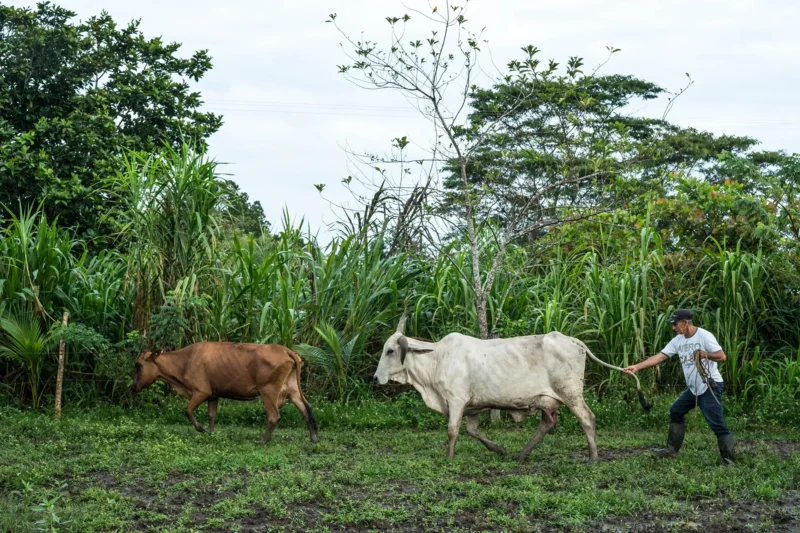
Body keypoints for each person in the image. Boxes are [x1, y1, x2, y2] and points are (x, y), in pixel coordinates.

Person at [624, 309, 735, 465]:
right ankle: (671, 450)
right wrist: (637, 367)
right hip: (693, 388)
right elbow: (660, 357)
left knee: (716, 423)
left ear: (685, 322)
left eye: (676, 324)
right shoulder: (678, 340)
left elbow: (722, 356)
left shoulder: (704, 336)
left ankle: (729, 460)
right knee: (676, 410)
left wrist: (705, 354)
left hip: (709, 386)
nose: (673, 327)